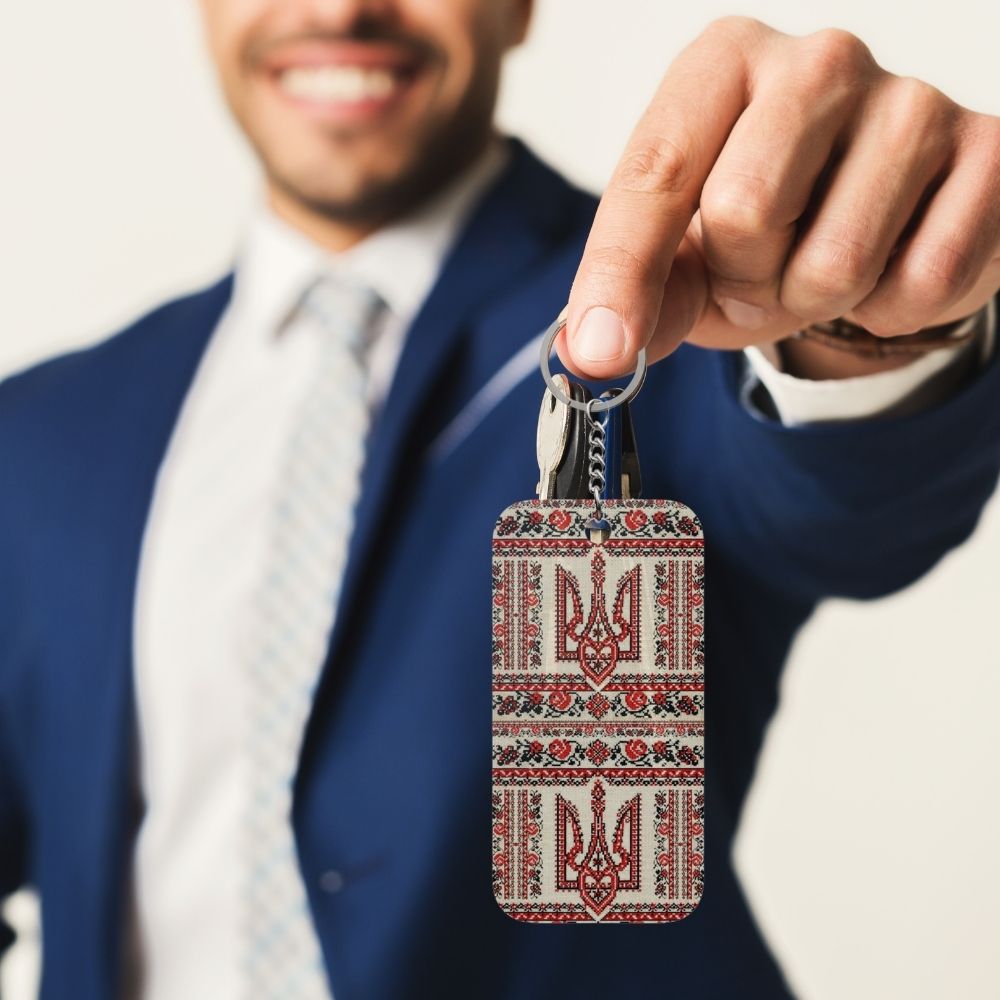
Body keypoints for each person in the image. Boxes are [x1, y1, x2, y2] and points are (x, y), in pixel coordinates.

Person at [1, 3, 998, 999]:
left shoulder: (688, 309)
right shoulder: (45, 427)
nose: (340, 7)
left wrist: (869, 325)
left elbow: (840, 507)